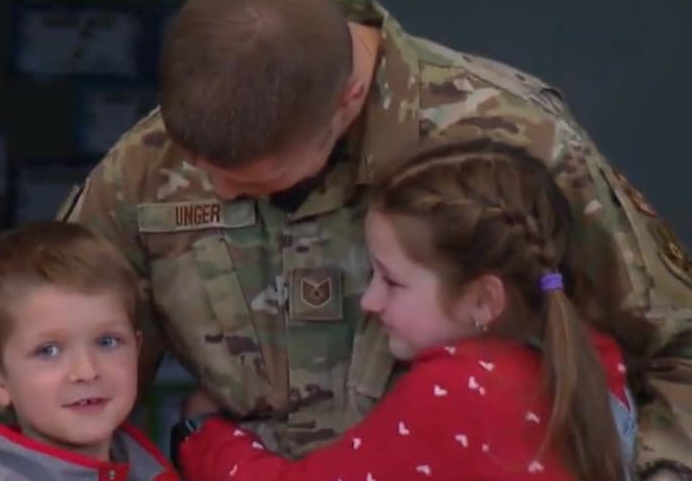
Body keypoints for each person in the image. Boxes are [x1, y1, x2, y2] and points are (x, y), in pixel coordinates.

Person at [0, 0, 692, 481]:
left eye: (259, 180)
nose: (215, 188)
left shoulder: (504, 139)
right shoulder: (152, 162)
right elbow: (28, 348)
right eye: (204, 171)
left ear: (349, 102)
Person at [174, 140, 638, 480]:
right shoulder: (590, 361)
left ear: (483, 301)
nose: (371, 301)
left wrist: (204, 434)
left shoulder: (459, 391)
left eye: (392, 281)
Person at [0, 221, 177, 481]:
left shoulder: (133, 455)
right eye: (48, 351)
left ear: (137, 350)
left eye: (107, 342)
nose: (86, 371)